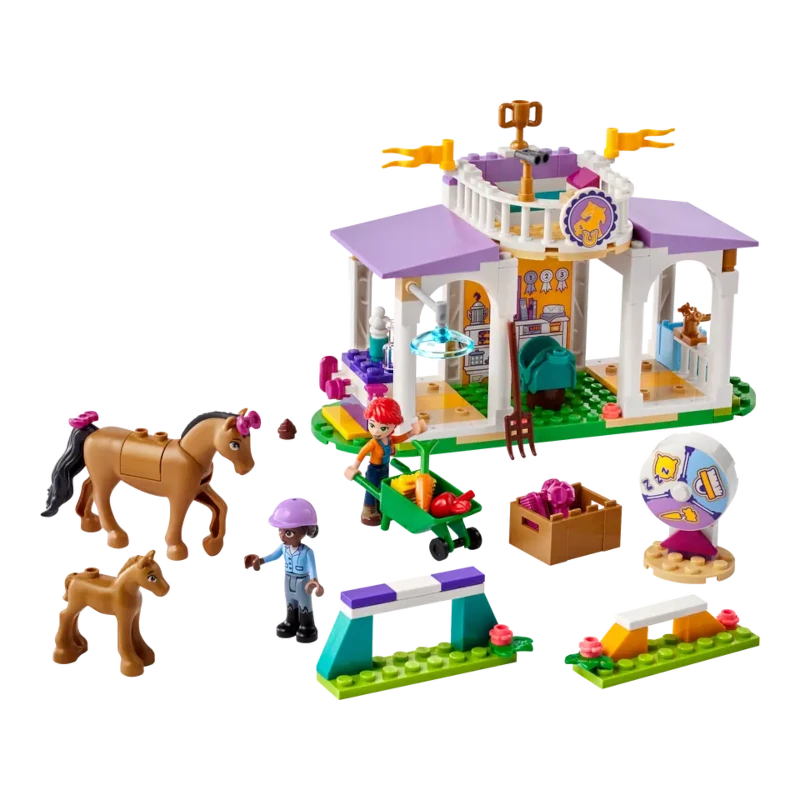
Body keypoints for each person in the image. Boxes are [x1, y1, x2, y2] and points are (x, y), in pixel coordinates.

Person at [242, 497, 326, 646]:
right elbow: (273, 555)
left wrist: (315, 581)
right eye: (280, 531)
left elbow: (313, 568)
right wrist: (260, 560)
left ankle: (308, 626)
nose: (281, 536)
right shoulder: (283, 547)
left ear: (305, 532)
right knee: (290, 601)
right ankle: (290, 622)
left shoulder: (307, 552)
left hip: (302, 581)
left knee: (304, 603)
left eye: (288, 533)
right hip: (287, 579)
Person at [341, 397, 427, 527]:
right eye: (372, 425)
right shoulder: (373, 443)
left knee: (384, 488)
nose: (376, 431)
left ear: (393, 426)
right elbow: (361, 454)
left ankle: (381, 507)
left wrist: (414, 431)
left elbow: (401, 438)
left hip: (385, 467)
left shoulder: (390, 439)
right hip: (374, 469)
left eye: (383, 428)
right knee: (371, 489)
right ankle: (368, 511)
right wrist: (354, 467)